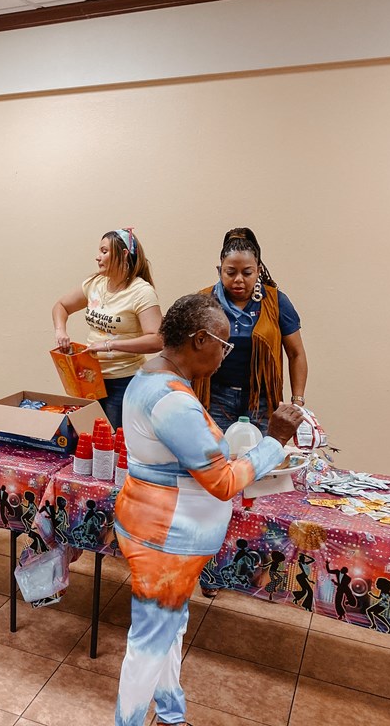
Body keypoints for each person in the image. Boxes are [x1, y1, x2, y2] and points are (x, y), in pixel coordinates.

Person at [112, 293, 303, 726]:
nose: (224, 353)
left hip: (158, 528)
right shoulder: (172, 400)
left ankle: (171, 715)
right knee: (149, 641)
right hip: (166, 537)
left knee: (169, 627)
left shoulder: (153, 379)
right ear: (200, 340)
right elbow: (220, 483)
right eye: (224, 344)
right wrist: (274, 441)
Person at [192, 227, 308, 434]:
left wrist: (297, 401)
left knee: (262, 458)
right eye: (230, 272)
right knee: (216, 457)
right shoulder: (204, 300)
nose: (238, 279)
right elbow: (187, 350)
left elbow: (296, 353)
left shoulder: (276, 301)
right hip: (215, 398)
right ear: (219, 270)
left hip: (261, 400)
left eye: (247, 273)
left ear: (258, 271)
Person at [52, 228, 163, 428]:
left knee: (113, 443)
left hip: (123, 380)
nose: (97, 257)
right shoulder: (95, 283)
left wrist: (110, 345)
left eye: (104, 251)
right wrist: (60, 330)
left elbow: (157, 340)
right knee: (88, 435)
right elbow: (61, 306)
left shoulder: (141, 292)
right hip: (89, 377)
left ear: (123, 254)